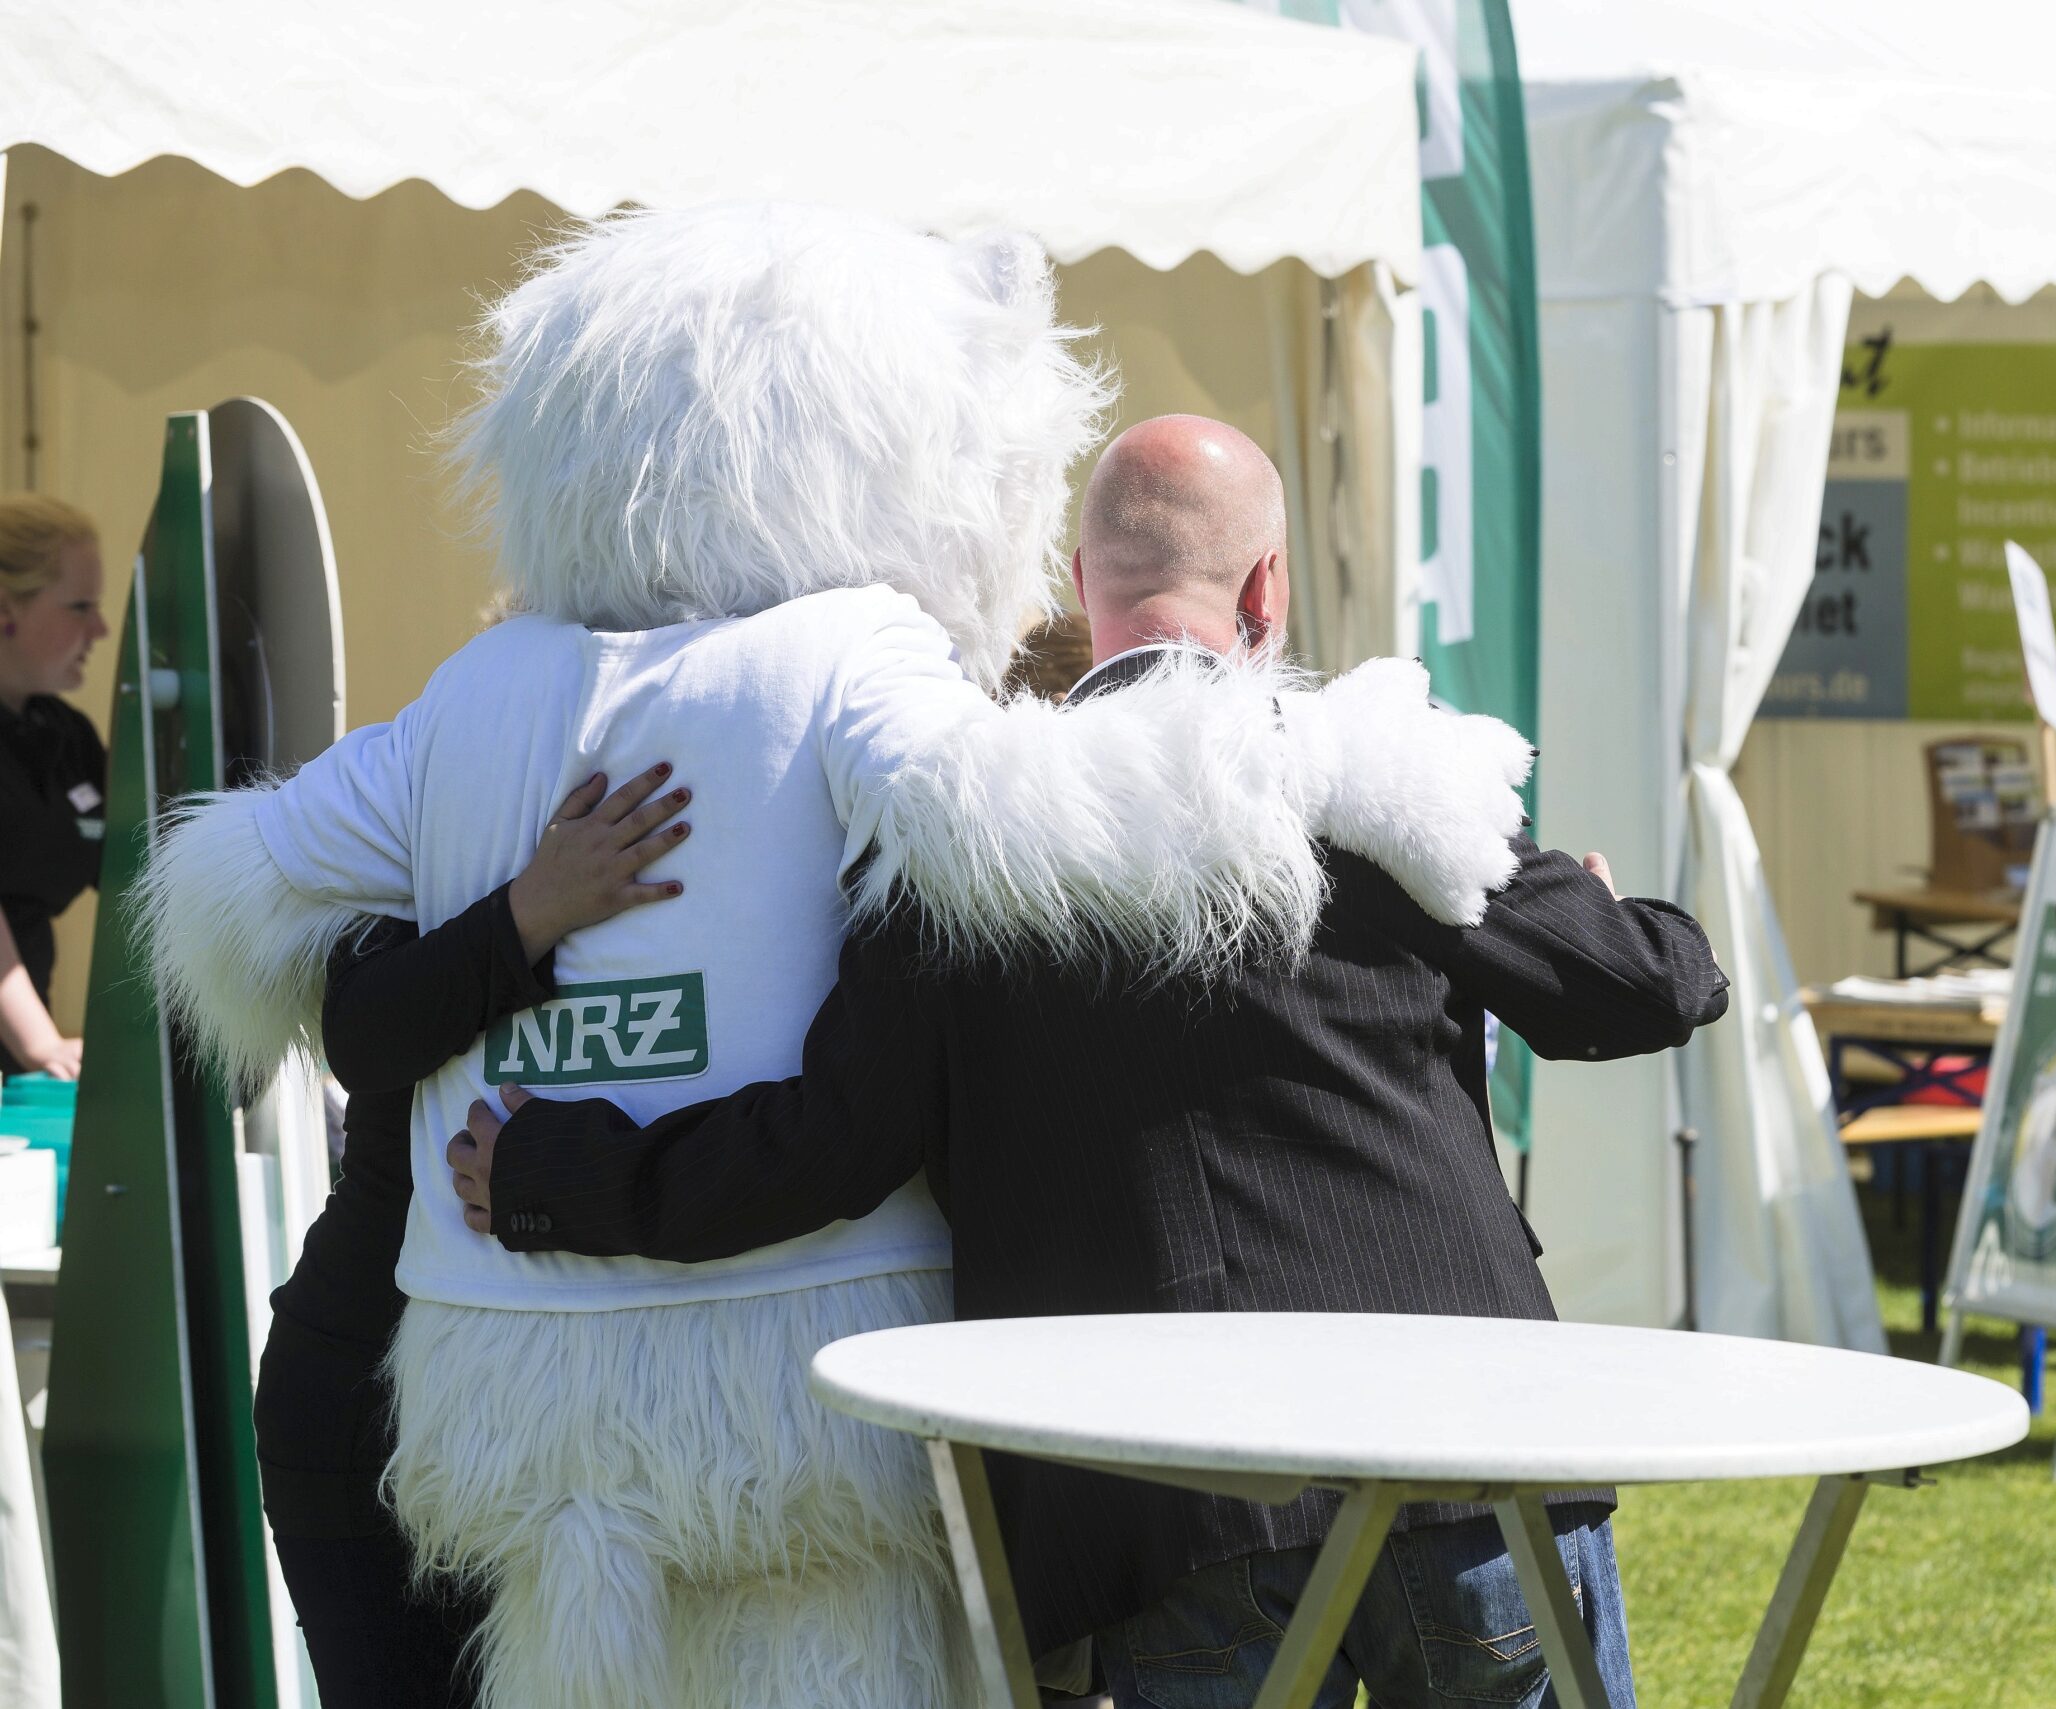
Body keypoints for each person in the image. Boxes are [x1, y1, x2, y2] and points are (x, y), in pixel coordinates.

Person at [137, 210, 1536, 1709]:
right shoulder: (854, 649)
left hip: (508, 1378)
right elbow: (1055, 813)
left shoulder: (483, 685)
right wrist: (1353, 761)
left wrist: (512, 920)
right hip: (803, 1375)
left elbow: (229, 897)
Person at [455, 415, 1731, 1709]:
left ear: (1079, 585)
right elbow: (1646, 992)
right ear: (1269, 590)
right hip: (1470, 1451)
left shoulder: (964, 835)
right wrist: (1597, 909)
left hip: (1163, 1499)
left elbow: (819, 1148)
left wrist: (553, 1172)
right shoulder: (1359, 768)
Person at [254, 768, 684, 1706]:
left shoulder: (710, 789)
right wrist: (532, 907)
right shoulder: (444, 773)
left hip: (597, 1421)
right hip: (366, 1388)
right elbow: (361, 1034)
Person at [0, 496, 110, 1079]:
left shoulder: (66, 737)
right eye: (79, 607)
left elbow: (134, 869)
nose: (101, 628)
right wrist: (42, 1046)